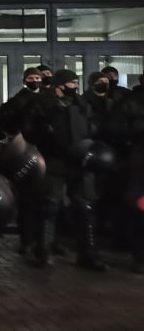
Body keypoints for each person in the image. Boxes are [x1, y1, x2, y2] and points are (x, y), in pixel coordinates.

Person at [21, 69, 106, 271]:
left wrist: (90, 136)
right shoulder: (43, 102)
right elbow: (28, 129)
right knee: (50, 206)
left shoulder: (80, 103)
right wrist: (45, 132)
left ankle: (87, 253)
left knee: (83, 207)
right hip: (54, 161)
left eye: (76, 82)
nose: (75, 86)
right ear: (60, 84)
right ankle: (44, 251)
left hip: (79, 160)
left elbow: (92, 124)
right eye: (72, 83)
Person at [0, 67, 45, 255]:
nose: (36, 80)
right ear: (25, 80)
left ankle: (42, 240)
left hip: (43, 154)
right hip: (25, 155)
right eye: (31, 77)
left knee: (43, 201)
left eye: (37, 77)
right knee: (27, 201)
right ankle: (28, 240)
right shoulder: (16, 102)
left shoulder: (47, 100)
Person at [101, 82, 144, 273]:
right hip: (139, 162)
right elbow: (110, 128)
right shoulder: (131, 102)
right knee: (139, 211)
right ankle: (140, 255)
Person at [0, 68, 43, 138]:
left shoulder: (48, 97)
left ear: (41, 80)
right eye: (30, 78)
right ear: (24, 81)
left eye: (37, 78)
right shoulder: (17, 100)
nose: (34, 80)